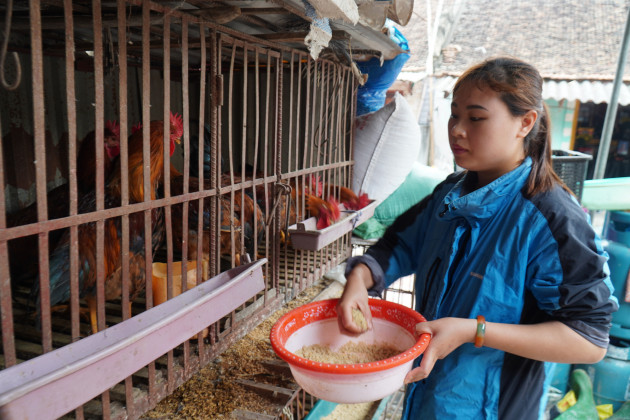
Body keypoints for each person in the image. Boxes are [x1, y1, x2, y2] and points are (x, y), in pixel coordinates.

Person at [337, 56, 618, 419]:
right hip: (429, 396)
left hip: (491, 408)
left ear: (525, 122)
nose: (456, 129)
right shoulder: (450, 193)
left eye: (476, 117)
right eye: (454, 115)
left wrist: (475, 331)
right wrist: (360, 280)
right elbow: (399, 244)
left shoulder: (551, 217)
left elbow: (588, 339)